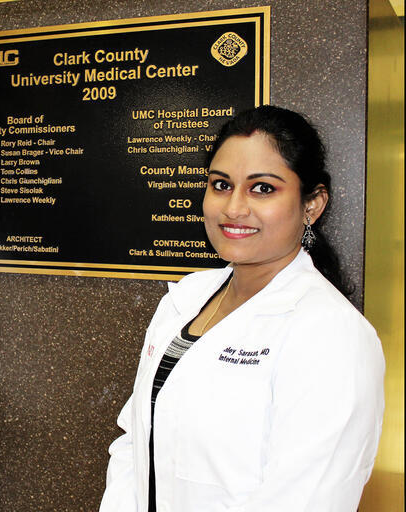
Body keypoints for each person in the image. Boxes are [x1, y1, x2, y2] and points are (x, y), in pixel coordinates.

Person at [100, 105, 384, 512]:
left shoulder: (333, 334)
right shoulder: (186, 299)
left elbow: (305, 500)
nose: (233, 208)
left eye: (262, 188)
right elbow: (135, 439)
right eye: (220, 185)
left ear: (312, 205)